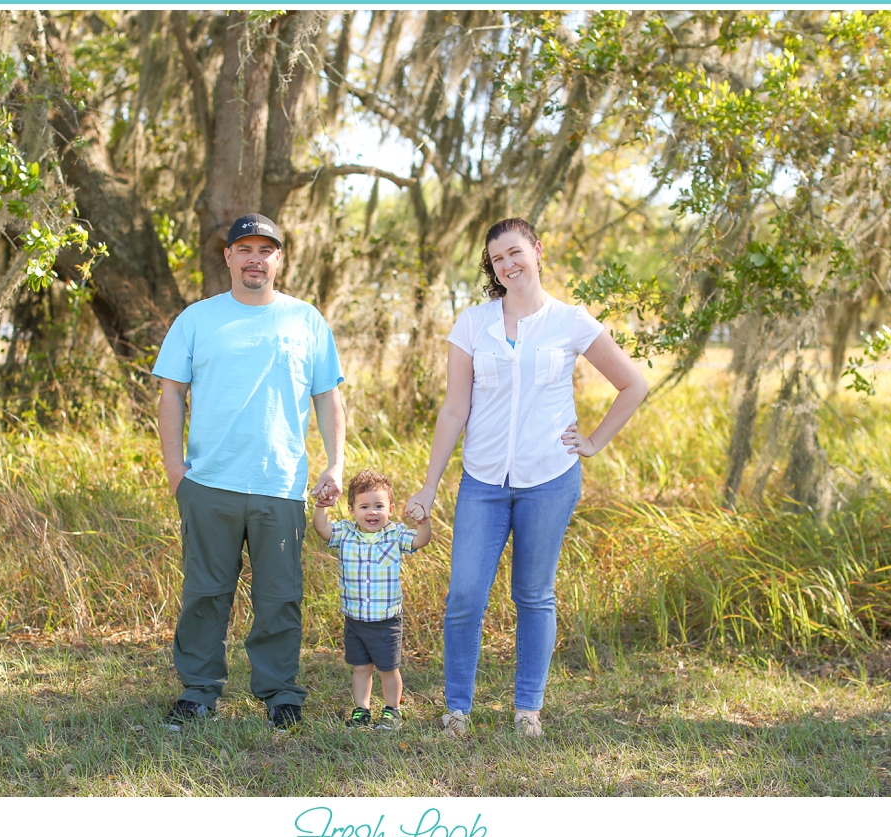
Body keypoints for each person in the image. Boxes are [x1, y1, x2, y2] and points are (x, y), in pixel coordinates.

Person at [405, 217, 647, 738]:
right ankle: (456, 710)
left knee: (533, 594)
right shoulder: (473, 323)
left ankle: (528, 710)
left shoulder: (571, 321)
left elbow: (632, 385)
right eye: (498, 259)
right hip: (483, 481)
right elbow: (454, 410)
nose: (509, 264)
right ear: (492, 268)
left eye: (515, 252)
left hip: (550, 478)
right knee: (466, 594)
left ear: (537, 250)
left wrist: (594, 441)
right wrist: (428, 485)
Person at [154, 212, 345, 732]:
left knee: (280, 596)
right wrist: (177, 471)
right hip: (209, 484)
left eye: (267, 249)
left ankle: (281, 693)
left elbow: (328, 397)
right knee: (205, 594)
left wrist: (335, 462)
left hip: (280, 485)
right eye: (245, 249)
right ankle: (197, 692)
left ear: (279, 258)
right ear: (229, 257)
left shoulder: (306, 321)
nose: (255, 258)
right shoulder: (197, 319)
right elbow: (171, 391)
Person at [312, 470, 432, 731]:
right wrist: (321, 507)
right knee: (361, 668)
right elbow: (322, 529)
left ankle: (392, 710)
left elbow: (421, 541)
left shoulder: (395, 534)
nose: (372, 512)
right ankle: (361, 709)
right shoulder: (345, 533)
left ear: (390, 508)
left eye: (379, 506)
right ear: (352, 509)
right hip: (355, 618)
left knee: (388, 669)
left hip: (386, 619)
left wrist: (423, 521)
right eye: (364, 506)